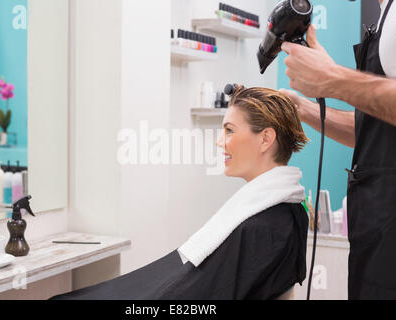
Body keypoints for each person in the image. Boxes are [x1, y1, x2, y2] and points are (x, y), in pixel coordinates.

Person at [51, 87, 309, 300]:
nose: (220, 141)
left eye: (229, 130)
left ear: (265, 139)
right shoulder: (286, 211)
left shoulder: (261, 225)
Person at [280, 0, 396, 299]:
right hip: (376, 233)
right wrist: (302, 108)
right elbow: (376, 133)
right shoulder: (386, 17)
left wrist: (331, 78)